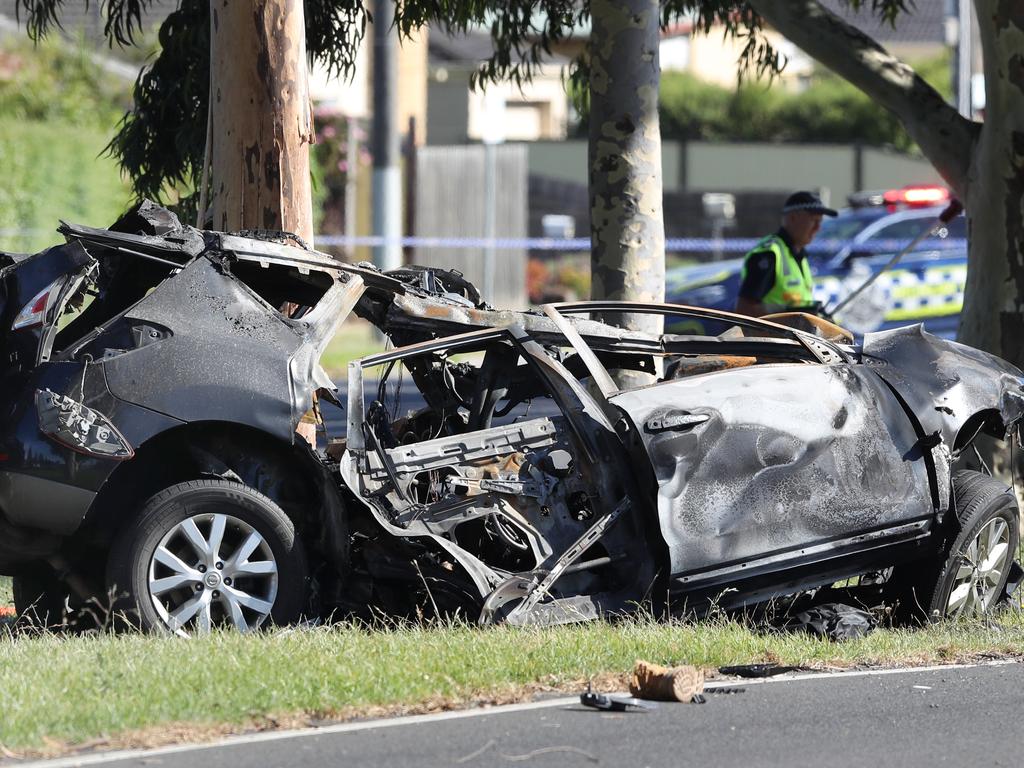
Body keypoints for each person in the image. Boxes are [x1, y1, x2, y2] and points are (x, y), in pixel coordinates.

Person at [735, 191, 837, 317]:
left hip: (794, 336)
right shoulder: (769, 254)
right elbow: (744, 310)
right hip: (770, 337)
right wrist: (792, 324)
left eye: (820, 221)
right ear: (793, 218)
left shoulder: (799, 255)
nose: (818, 228)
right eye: (813, 220)